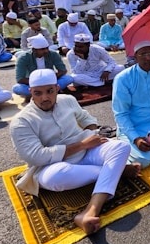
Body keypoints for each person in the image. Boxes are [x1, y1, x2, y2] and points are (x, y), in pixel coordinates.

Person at [9, 68, 139, 234]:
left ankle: (90, 211)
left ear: (57, 88)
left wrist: (92, 133)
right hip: (52, 166)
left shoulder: (67, 100)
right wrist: (82, 145)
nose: (45, 98)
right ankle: (116, 171)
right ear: (30, 92)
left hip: (86, 153)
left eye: (49, 91)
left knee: (121, 147)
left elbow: (86, 119)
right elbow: (36, 157)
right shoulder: (22, 121)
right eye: (38, 93)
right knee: (57, 177)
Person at [13, 34, 74, 98]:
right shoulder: (23, 58)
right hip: (33, 84)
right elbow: (20, 79)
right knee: (17, 88)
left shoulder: (53, 54)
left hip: (51, 82)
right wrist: (38, 83)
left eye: (47, 48)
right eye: (42, 49)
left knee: (68, 78)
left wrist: (49, 80)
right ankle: (51, 92)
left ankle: (37, 94)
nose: (46, 51)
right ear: (34, 50)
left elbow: (63, 70)